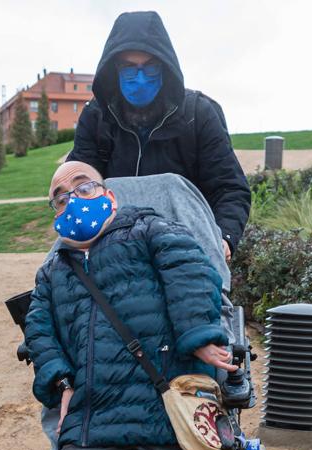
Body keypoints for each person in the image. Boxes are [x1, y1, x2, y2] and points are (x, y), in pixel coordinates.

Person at [0, 161, 237, 450]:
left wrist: (200, 334)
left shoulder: (148, 228)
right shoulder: (54, 270)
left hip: (173, 394)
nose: (72, 196)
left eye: (82, 184)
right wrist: (60, 381)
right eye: (60, 194)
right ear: (55, 211)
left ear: (106, 192)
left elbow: (191, 271)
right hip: (99, 402)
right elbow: (40, 332)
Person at [66, 10, 251, 262]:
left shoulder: (198, 114)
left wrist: (223, 237)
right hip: (115, 252)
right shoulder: (96, 118)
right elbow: (77, 186)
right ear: (114, 69)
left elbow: (229, 187)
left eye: (150, 68)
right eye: (129, 69)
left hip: (186, 251)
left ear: (165, 67)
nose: (140, 78)